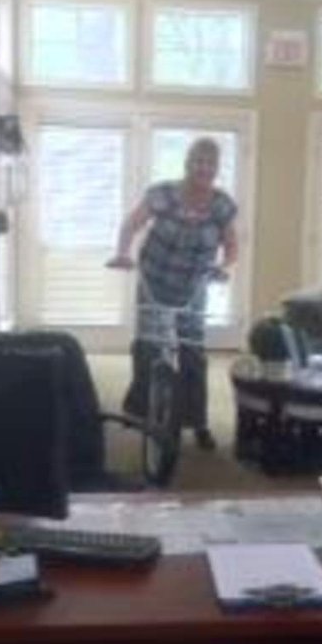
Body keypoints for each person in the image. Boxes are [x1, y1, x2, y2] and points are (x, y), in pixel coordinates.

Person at [106, 138, 239, 451]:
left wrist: (224, 266)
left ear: (216, 169)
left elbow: (231, 245)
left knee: (193, 351)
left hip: (194, 285)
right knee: (148, 344)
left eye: (210, 163)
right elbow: (132, 224)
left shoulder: (221, 204)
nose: (203, 168)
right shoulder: (163, 193)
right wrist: (122, 253)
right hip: (155, 279)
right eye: (198, 161)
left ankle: (198, 422)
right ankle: (140, 410)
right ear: (187, 163)